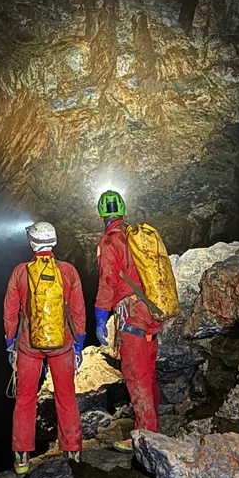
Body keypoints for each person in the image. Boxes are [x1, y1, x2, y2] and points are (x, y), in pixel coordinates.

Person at [3, 221, 86, 474]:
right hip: (62, 345)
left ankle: (21, 457)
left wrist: (10, 344)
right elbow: (77, 309)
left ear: (32, 243)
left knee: (26, 398)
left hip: (29, 345)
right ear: (54, 242)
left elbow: (10, 311)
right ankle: (72, 450)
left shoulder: (20, 272)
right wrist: (79, 343)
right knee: (66, 395)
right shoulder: (68, 271)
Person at [93, 189, 160, 449]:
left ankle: (144, 436)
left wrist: (100, 317)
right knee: (149, 372)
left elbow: (107, 282)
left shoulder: (110, 242)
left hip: (132, 316)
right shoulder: (137, 236)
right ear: (122, 210)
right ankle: (155, 427)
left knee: (135, 375)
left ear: (102, 214)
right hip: (152, 312)